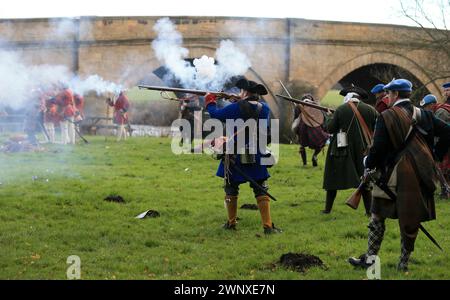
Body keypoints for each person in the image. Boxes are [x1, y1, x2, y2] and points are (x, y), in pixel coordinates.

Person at [348, 79, 450, 272]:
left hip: (391, 175)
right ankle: (403, 263)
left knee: (377, 217)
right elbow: (447, 132)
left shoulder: (386, 116)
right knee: (411, 218)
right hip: (420, 172)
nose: (387, 96)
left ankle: (370, 260)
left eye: (389, 93)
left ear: (394, 95)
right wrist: (434, 154)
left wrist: (367, 163)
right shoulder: (425, 115)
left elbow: (377, 150)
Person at [204, 79, 281, 234]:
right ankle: (267, 226)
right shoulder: (264, 108)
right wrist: (237, 101)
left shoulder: (235, 107)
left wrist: (210, 100)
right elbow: (249, 110)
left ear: (245, 92)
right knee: (261, 187)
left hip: (234, 153)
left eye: (241, 91)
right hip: (257, 152)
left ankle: (231, 224)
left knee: (230, 188)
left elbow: (216, 115)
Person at [322, 86, 378, 215]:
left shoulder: (341, 109)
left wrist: (330, 117)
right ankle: (369, 211)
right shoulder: (371, 110)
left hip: (342, 150)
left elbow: (330, 129)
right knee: (365, 180)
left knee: (332, 179)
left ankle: (327, 209)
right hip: (364, 150)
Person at [420, 93, 450, 198]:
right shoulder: (441, 109)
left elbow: (439, 130)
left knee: (441, 168)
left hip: (445, 144)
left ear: (433, 104)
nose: (426, 109)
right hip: (446, 142)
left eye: (427, 106)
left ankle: (445, 191)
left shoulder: (440, 112)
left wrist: (435, 149)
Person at [292, 94, 329, 166]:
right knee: (321, 142)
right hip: (314, 128)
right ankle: (314, 156)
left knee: (302, 145)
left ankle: (304, 164)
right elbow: (322, 119)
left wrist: (296, 108)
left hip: (302, 129)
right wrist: (324, 128)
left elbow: (296, 118)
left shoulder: (299, 106)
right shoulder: (316, 106)